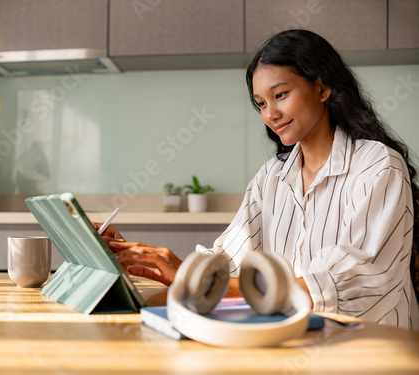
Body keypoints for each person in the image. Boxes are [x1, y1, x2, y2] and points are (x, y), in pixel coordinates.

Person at [94, 29, 419, 330]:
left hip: (370, 351)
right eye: (261, 103)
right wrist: (148, 258)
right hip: (295, 345)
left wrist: (191, 277)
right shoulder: (271, 177)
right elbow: (229, 262)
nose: (270, 114)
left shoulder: (378, 166)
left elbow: (351, 283)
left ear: (322, 87)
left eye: (280, 95)